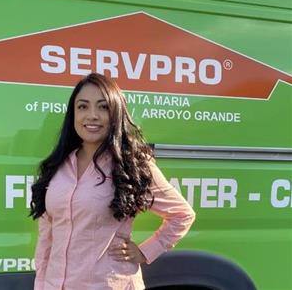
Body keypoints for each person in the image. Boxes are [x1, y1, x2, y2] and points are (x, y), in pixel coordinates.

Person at [30, 73, 196, 290]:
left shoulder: (132, 165)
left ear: (116, 113)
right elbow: (47, 238)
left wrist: (146, 251)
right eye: (83, 107)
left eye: (103, 107)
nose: (92, 115)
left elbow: (182, 214)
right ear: (73, 114)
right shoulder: (58, 166)